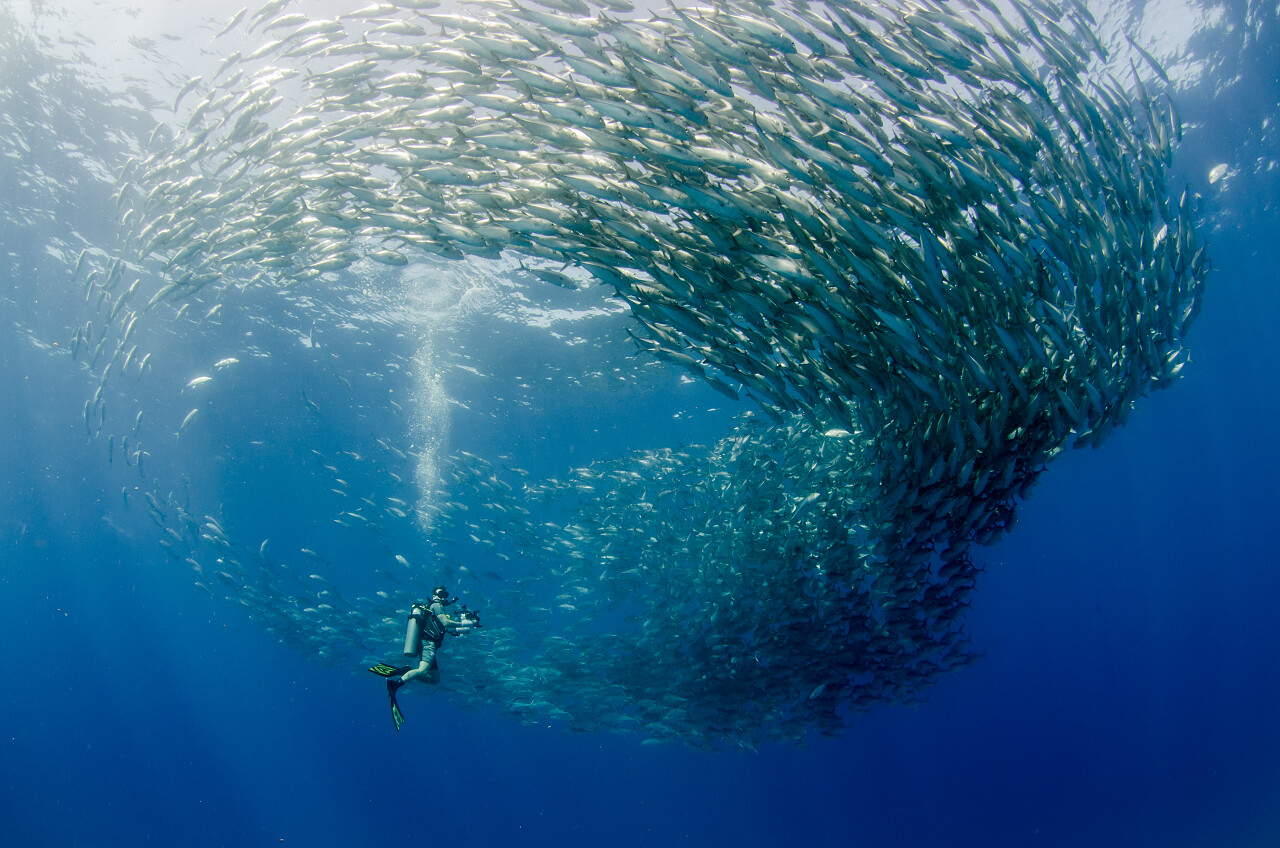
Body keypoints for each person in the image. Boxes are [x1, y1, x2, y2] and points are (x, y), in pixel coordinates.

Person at [384, 586, 477, 730]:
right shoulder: (435, 605)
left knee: (434, 678)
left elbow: (443, 627)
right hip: (428, 643)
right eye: (441, 593)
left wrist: (461, 629)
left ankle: (406, 671)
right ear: (434, 595)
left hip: (431, 645)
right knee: (422, 670)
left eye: (445, 594)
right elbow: (445, 623)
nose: (443, 596)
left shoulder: (435, 609)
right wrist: (464, 623)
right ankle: (394, 685)